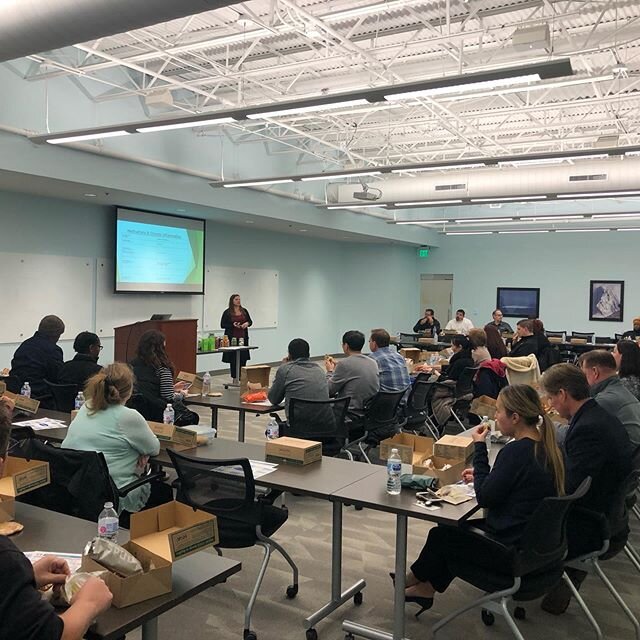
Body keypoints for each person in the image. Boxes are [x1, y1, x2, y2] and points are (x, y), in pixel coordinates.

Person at [401, 384, 564, 615]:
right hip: (536, 548)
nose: (495, 416)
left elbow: (486, 498)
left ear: (515, 417)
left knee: (442, 535)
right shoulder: (548, 447)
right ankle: (425, 588)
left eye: (499, 411)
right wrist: (485, 475)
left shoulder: (515, 453)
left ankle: (412, 579)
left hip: (511, 552)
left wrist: (479, 448)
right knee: (450, 533)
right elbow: (517, 484)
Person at [0, 397, 113, 640]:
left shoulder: (84, 412)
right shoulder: (5, 560)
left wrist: (25, 576)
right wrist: (89, 603)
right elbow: (53, 634)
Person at [539, 364, 632, 614]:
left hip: (590, 521)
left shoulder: (587, 428)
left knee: (521, 506)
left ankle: (519, 576)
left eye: (550, 397)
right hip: (611, 513)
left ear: (562, 394)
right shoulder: (598, 416)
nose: (550, 403)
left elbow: (570, 488)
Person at [62, 363, 170, 519]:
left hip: (79, 489)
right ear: (130, 390)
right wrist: (139, 450)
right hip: (113, 493)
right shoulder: (128, 416)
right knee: (164, 492)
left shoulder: (87, 407)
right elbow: (154, 448)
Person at [577, 350, 640, 447]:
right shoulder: (620, 390)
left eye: (584, 373)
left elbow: (577, 430)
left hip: (625, 458)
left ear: (595, 372)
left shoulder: (604, 400)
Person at [129, 330, 188, 422]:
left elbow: (147, 390)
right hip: (158, 413)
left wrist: (172, 387)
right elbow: (168, 397)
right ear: (161, 347)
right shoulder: (162, 367)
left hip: (136, 412)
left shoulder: (132, 365)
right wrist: (182, 395)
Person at [9, 315, 65, 405]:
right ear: (56, 335)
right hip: (42, 397)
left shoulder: (24, 345)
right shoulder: (53, 350)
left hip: (17, 394)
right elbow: (58, 377)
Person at [268, 339, 329, 418]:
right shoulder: (319, 370)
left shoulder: (285, 370)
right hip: (325, 424)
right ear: (308, 354)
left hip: (298, 426)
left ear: (289, 355)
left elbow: (273, 399)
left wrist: (282, 367)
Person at [325, 330, 379, 419]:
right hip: (368, 411)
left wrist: (330, 371)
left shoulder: (345, 364)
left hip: (349, 412)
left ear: (346, 346)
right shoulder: (373, 362)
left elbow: (329, 390)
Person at [220, 294, 253, 379]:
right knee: (233, 358)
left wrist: (247, 323)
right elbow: (223, 325)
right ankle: (235, 377)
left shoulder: (244, 311)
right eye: (236, 299)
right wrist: (232, 324)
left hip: (243, 337)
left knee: (243, 357)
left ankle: (242, 377)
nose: (238, 301)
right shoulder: (227, 312)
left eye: (239, 299)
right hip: (232, 338)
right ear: (232, 301)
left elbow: (250, 321)